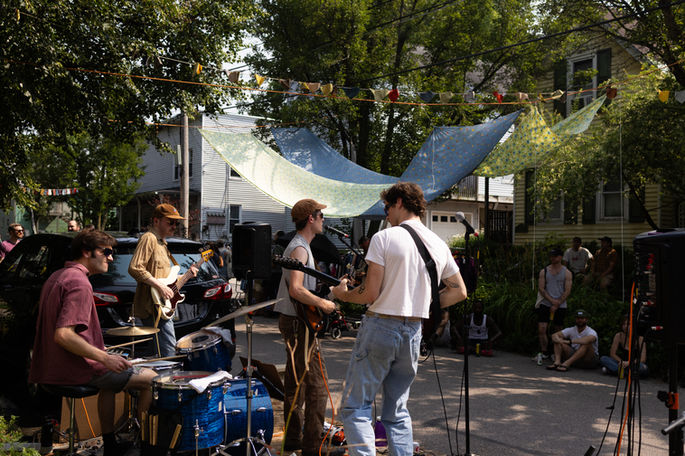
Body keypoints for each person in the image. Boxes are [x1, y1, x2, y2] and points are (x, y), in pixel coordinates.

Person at [331, 182, 468, 456]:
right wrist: (424, 303)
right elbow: (459, 291)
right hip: (414, 330)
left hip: (381, 325)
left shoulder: (384, 238)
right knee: (397, 411)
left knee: (356, 407)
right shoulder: (438, 243)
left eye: (387, 208)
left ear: (399, 203)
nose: (386, 214)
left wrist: (342, 294)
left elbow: (370, 293)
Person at [28, 230, 157, 456]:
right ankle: (145, 446)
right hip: (73, 369)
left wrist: (103, 353)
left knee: (112, 381)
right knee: (152, 380)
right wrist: (105, 358)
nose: (111, 258)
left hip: (50, 366)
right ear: (86, 252)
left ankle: (110, 445)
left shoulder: (58, 275)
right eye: (106, 252)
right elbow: (63, 335)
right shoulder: (79, 283)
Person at [274, 199, 336, 456]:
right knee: (317, 388)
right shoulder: (300, 249)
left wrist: (331, 292)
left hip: (294, 321)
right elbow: (296, 290)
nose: (323, 219)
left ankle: (292, 440)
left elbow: (302, 289)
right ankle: (313, 448)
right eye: (321, 215)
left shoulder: (300, 246)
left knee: (294, 384)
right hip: (299, 324)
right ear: (311, 218)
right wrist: (324, 303)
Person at [128, 203, 197, 357]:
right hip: (153, 306)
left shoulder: (163, 244)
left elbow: (165, 278)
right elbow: (135, 267)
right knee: (169, 353)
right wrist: (160, 286)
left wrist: (187, 275)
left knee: (159, 354)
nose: (174, 226)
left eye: (176, 223)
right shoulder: (149, 238)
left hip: (162, 305)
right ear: (156, 221)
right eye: (170, 222)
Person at [535, 248, 572, 366]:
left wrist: (557, 303)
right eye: (551, 256)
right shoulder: (544, 271)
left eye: (555, 256)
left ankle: (556, 353)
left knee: (558, 330)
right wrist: (551, 301)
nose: (552, 258)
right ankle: (544, 351)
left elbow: (567, 290)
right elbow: (541, 288)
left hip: (561, 305)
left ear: (560, 257)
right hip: (546, 303)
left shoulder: (567, 272)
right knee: (542, 329)